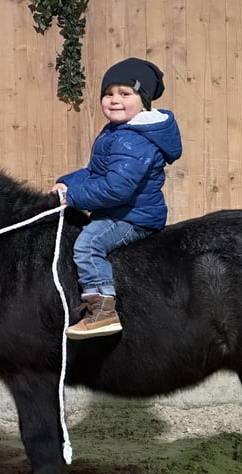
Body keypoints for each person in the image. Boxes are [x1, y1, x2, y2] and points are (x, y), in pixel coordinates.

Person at [51, 57, 183, 340]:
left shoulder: (134, 139)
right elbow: (94, 172)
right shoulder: (117, 132)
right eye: (108, 94)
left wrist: (72, 197)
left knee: (88, 245)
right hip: (118, 210)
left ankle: (102, 312)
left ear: (144, 100)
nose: (114, 100)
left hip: (132, 216)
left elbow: (116, 188)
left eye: (125, 94)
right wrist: (67, 182)